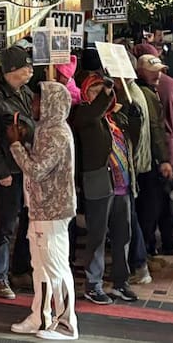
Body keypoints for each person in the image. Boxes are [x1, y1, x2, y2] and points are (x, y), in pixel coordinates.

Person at [9, 81, 78, 340]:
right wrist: (25, 142)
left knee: (56, 267)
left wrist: (16, 144)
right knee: (40, 268)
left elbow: (37, 170)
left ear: (50, 105)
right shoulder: (45, 130)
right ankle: (41, 317)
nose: (33, 105)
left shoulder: (58, 134)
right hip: (40, 208)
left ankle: (66, 325)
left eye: (38, 101)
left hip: (53, 210)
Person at [71, 73, 141, 305]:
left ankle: (121, 282)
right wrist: (106, 95)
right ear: (85, 94)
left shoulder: (115, 118)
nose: (101, 94)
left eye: (103, 90)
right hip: (99, 182)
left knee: (123, 237)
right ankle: (93, 284)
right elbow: (93, 112)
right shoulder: (83, 114)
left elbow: (132, 143)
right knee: (97, 237)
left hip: (123, 185)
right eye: (95, 90)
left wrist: (136, 120)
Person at [0, 47, 37, 299]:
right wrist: (1, 171)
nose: (31, 70)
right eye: (26, 66)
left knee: (28, 220)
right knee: (6, 224)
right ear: (12, 70)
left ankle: (21, 268)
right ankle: (0, 275)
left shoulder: (26, 93)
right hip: (9, 170)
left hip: (28, 167)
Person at [135, 54, 173, 260]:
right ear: (140, 71)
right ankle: (142, 255)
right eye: (153, 71)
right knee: (149, 209)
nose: (158, 75)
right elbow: (155, 129)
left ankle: (145, 251)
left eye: (159, 70)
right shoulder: (147, 94)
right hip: (149, 161)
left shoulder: (147, 91)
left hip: (146, 159)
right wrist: (163, 159)